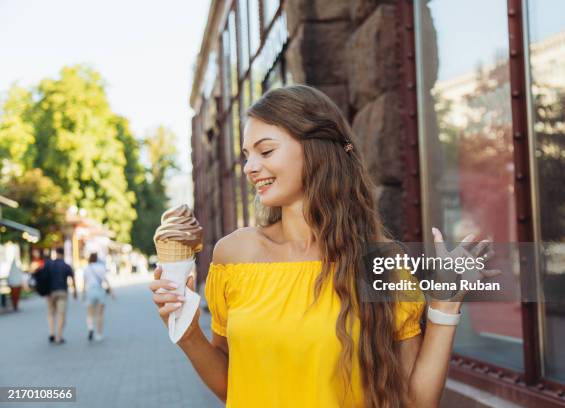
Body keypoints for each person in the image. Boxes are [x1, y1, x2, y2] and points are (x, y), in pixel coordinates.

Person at [150, 85, 496, 407]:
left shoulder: (380, 263)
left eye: (265, 150)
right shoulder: (234, 255)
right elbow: (232, 384)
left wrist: (445, 306)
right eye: (246, 155)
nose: (250, 167)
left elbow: (416, 400)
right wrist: (189, 333)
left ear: (316, 149)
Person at [45, 247, 77, 344]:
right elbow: (72, 279)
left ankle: (52, 333)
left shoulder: (49, 264)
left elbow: (44, 277)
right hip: (62, 292)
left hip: (50, 293)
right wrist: (75, 291)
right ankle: (59, 337)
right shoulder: (66, 266)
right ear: (63, 254)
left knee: (50, 313)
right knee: (61, 315)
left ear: (55, 253)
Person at [83, 253, 113, 341]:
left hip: (90, 290)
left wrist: (83, 294)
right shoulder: (101, 267)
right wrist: (111, 291)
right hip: (99, 290)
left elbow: (84, 282)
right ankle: (99, 334)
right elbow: (105, 280)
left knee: (90, 312)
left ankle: (90, 328)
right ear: (97, 259)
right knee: (100, 314)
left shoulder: (86, 268)